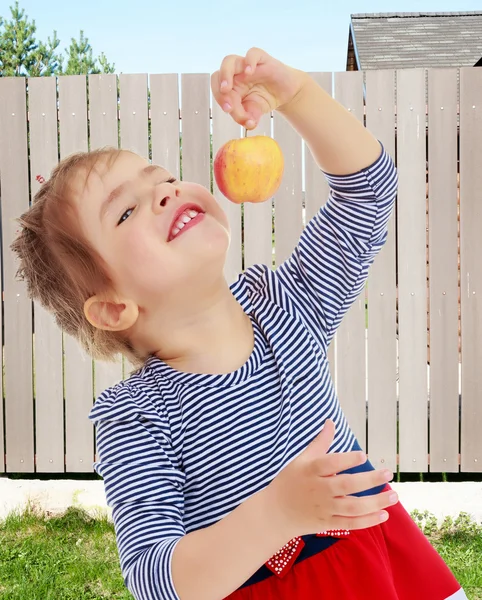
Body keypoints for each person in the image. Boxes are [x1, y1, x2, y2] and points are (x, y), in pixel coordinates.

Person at [12, 48, 466, 600]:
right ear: (113, 309)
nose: (166, 191)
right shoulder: (134, 418)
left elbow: (367, 192)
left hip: (379, 560)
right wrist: (277, 514)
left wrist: (294, 94)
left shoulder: (286, 305)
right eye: (125, 212)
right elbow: (158, 581)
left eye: (165, 178)